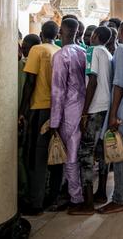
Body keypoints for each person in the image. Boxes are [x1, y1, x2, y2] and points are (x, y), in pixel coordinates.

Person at [95, 21, 123, 214]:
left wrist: (113, 114)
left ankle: (118, 198)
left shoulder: (122, 49)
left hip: (121, 107)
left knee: (119, 153)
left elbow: (119, 83)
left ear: (121, 32)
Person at [66, 27, 112, 216]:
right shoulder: (108, 52)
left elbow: (92, 80)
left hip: (94, 107)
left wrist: (84, 112)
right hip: (105, 105)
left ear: (95, 37)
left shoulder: (93, 50)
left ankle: (88, 203)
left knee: (85, 154)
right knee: (101, 151)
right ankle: (100, 192)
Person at [20, 21, 61, 215]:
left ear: (41, 33)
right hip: (54, 108)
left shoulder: (37, 49)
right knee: (47, 155)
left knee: (36, 156)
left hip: (39, 107)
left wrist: (22, 110)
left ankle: (35, 203)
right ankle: (47, 196)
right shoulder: (57, 50)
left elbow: (30, 81)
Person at [50, 18, 87, 212]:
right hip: (83, 108)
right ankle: (74, 193)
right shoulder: (83, 52)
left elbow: (58, 91)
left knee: (70, 157)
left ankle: (76, 198)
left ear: (60, 33)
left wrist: (54, 121)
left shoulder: (60, 56)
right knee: (78, 154)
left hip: (68, 111)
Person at [18, 34, 40, 209]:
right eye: (22, 45)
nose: (22, 48)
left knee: (25, 155)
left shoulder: (24, 66)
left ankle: (26, 192)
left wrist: (21, 112)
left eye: (26, 46)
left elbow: (27, 88)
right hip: (32, 111)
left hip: (29, 112)